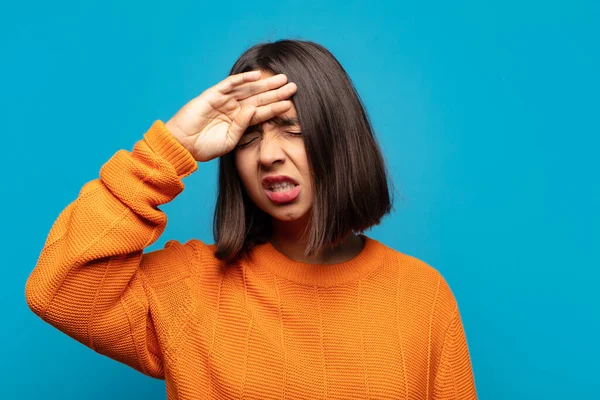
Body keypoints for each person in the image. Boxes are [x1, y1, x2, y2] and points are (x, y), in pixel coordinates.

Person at [25, 39, 477, 399]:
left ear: (338, 140)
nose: (268, 155)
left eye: (292, 129)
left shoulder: (421, 295)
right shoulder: (190, 287)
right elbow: (57, 289)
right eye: (247, 139)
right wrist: (169, 150)